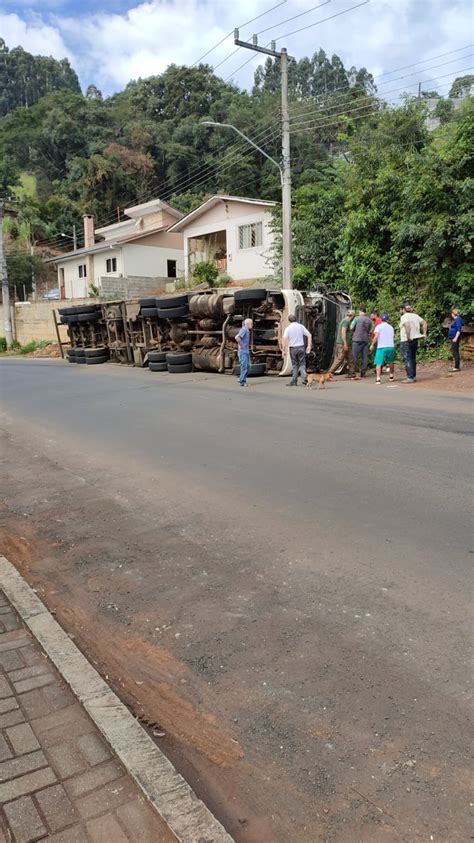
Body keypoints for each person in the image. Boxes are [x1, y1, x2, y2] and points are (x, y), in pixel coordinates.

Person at [399, 304, 427, 383]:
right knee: (413, 358)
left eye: (400, 309)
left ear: (403, 309)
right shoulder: (415, 316)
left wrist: (408, 336)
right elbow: (424, 322)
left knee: (407, 358)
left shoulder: (404, 317)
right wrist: (424, 333)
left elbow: (407, 325)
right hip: (416, 339)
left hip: (406, 340)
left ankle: (410, 377)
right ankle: (413, 376)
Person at [282, 314, 312, 386]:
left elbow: (284, 339)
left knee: (295, 365)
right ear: (296, 319)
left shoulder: (288, 328)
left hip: (293, 348)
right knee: (302, 363)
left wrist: (284, 349)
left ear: (289, 320)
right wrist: (309, 346)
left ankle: (294, 381)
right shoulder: (301, 326)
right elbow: (309, 335)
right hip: (301, 347)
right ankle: (304, 379)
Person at [370, 313, 395, 384]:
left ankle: (378, 379)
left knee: (378, 363)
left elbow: (376, 336)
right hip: (390, 346)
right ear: (387, 319)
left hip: (381, 347)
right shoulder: (391, 327)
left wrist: (372, 344)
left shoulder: (379, 326)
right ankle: (391, 376)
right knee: (391, 361)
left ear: (381, 319)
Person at [330, 309, 355, 378]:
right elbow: (343, 333)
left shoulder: (345, 321)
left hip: (345, 343)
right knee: (340, 358)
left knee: (350, 358)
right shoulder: (346, 322)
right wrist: (345, 344)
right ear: (352, 316)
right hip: (343, 343)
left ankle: (351, 373)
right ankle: (330, 373)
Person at [350, 307, 373, 378]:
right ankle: (363, 373)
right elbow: (371, 330)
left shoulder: (356, 318)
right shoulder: (369, 320)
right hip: (365, 340)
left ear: (360, 311)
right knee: (365, 357)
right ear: (365, 312)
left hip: (356, 340)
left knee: (354, 357)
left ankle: (353, 372)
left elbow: (351, 327)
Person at [236, 318, 253, 387]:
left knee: (248, 366)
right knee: (245, 366)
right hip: (243, 351)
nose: (252, 325)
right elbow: (237, 337)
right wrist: (242, 345)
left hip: (246, 351)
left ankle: (241, 378)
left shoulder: (247, 330)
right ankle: (243, 382)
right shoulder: (244, 330)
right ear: (248, 324)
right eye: (251, 324)